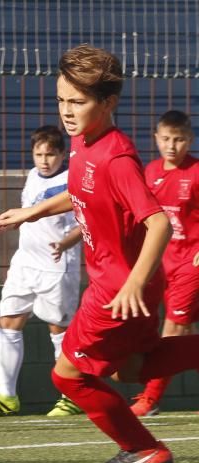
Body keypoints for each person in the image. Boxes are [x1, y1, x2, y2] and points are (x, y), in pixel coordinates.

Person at [0, 44, 199, 463]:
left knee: (67, 377)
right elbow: (84, 191)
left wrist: (134, 283)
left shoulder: (117, 158)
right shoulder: (84, 140)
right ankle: (143, 447)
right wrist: (34, 210)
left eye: (77, 102)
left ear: (109, 103)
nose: (66, 110)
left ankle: (142, 448)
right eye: (61, 100)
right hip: (124, 282)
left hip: (117, 288)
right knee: (131, 369)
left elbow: (157, 224)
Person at [0, 125, 84, 418]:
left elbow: (85, 223)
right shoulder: (33, 176)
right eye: (39, 154)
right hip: (24, 265)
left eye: (51, 154)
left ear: (62, 154)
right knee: (8, 323)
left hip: (57, 267)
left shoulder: (72, 182)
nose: (44, 160)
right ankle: (6, 396)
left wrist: (64, 243)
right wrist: (5, 227)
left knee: (59, 332)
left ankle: (71, 396)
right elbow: (29, 213)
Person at [127, 110, 199, 417]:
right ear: (156, 139)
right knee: (185, 331)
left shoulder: (196, 172)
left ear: (190, 140)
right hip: (163, 264)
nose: (172, 145)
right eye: (166, 139)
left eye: (179, 139)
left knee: (172, 327)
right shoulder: (150, 171)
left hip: (192, 264)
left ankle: (150, 398)